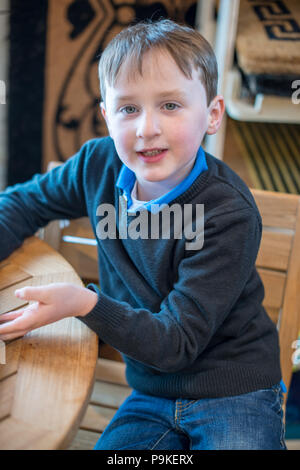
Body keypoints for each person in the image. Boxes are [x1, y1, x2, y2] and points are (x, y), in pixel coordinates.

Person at [0, 19, 286, 450]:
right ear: (106, 117)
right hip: (151, 393)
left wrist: (84, 303)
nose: (146, 128)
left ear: (211, 114)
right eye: (128, 108)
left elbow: (178, 342)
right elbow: (23, 203)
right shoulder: (97, 165)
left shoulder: (227, 212)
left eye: (170, 105)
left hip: (234, 391)